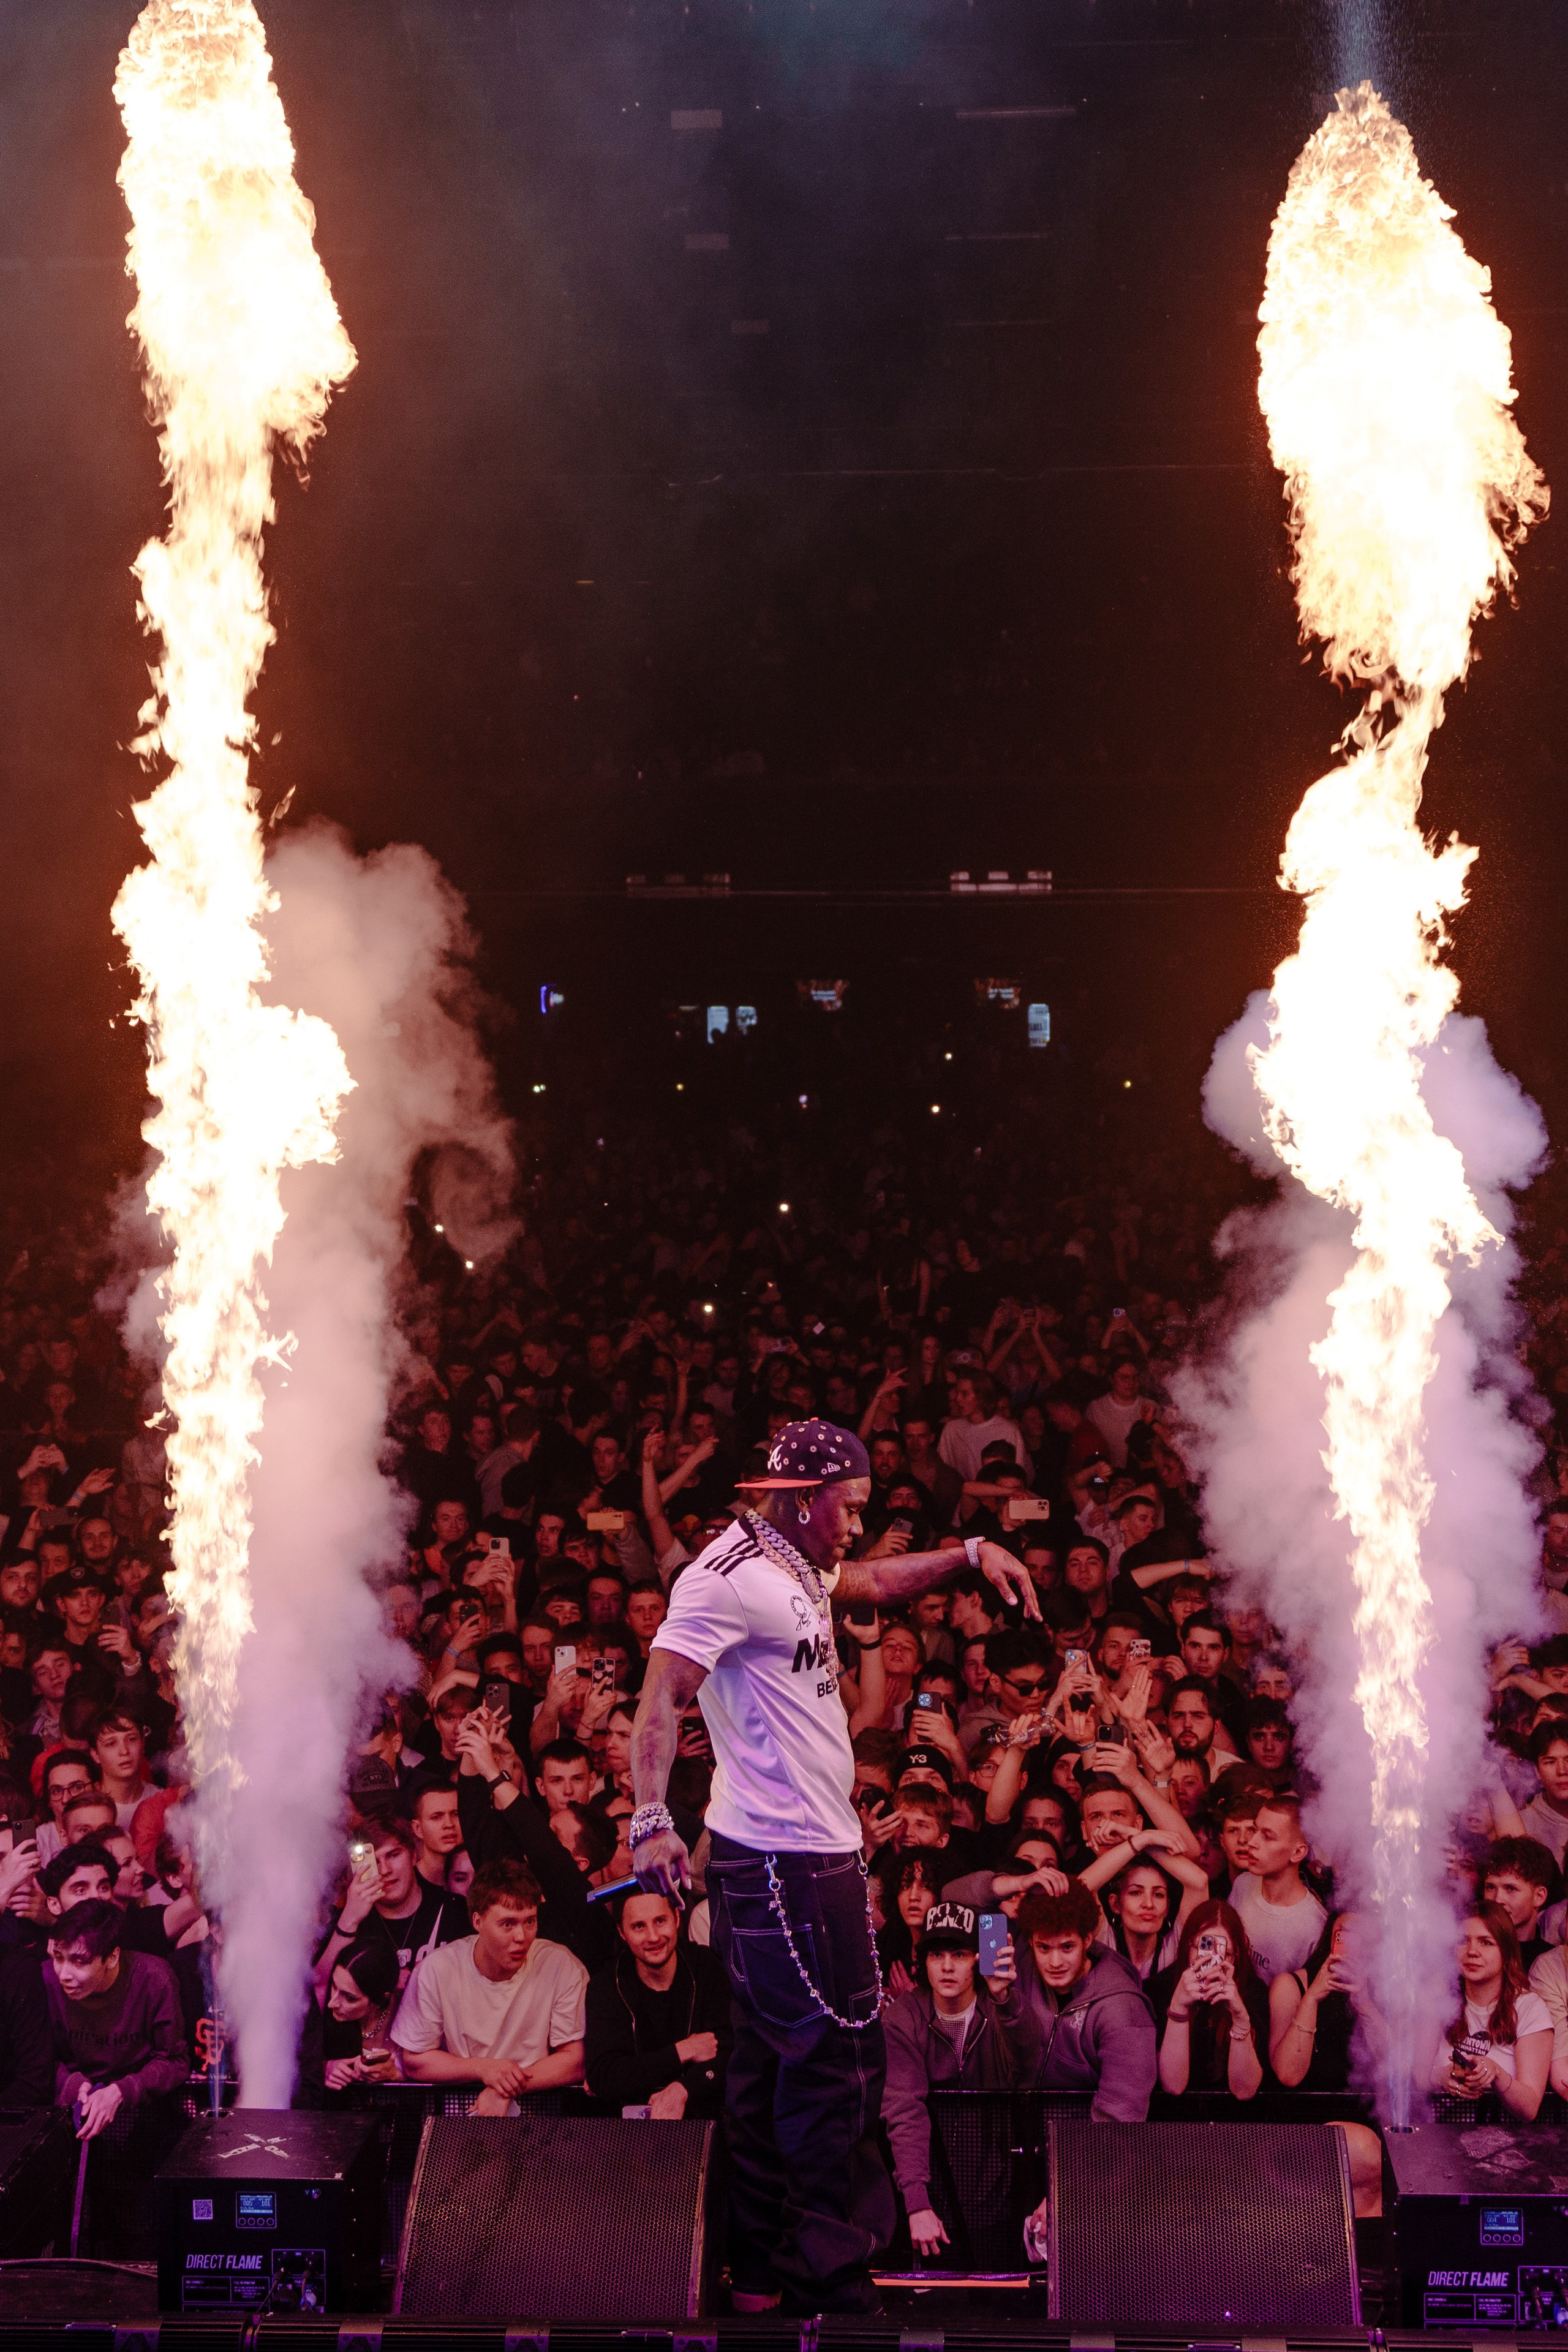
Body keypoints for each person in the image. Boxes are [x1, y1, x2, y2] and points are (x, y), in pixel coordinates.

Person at [629, 1418, 1038, 2315]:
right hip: (780, 1864)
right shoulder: (724, 1578)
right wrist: (652, 1813)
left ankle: (764, 2274)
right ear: (799, 1499)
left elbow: (867, 1579)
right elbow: (663, 1688)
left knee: (769, 2066)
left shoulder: (797, 1559)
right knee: (833, 2061)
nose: (857, 1523)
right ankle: (833, 2285)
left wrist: (970, 1551)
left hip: (805, 1856)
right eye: (846, 1506)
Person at [881, 1901, 1030, 2261]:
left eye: (960, 1954)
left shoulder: (999, 2008)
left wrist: (1005, 2000)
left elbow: (1027, 2070)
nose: (947, 1967)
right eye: (937, 1955)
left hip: (997, 2193)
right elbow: (905, 2110)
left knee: (994, 2308)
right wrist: (917, 2203)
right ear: (924, 1961)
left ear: (978, 1958)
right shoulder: (905, 2016)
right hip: (929, 2194)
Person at [391, 1856, 587, 2114]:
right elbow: (415, 2060)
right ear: (477, 1922)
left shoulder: (561, 1965)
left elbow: (575, 2060)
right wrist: (485, 2069)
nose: (521, 1936)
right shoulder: (438, 1969)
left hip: (538, 2117)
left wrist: (504, 2088)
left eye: (530, 1921)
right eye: (508, 1924)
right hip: (460, 2116)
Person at [1010, 1878, 1156, 2119]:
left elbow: (1119, 2118)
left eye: (1067, 1947)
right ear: (1030, 1943)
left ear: (1087, 1940)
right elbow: (961, 1897)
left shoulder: (1122, 2010)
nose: (1055, 1963)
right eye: (1044, 1948)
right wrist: (1018, 1883)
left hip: (1082, 2144)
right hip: (1020, 2135)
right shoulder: (1020, 1965)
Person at [582, 1889, 731, 2118]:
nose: (653, 1937)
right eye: (639, 1927)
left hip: (705, 2119)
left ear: (677, 1919)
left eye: (660, 1921)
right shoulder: (606, 1985)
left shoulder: (706, 1966)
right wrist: (682, 2051)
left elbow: (729, 2052)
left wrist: (684, 2088)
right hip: (630, 2127)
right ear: (622, 1933)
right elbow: (604, 2076)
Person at [313, 1816, 470, 2002]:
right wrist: (350, 1919)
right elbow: (320, 1986)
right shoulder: (350, 1922)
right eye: (374, 1862)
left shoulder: (454, 1909)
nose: (385, 1870)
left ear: (413, 1856)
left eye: (394, 1855)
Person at [1427, 1904, 1551, 2121]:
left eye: (1486, 1942)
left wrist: (1496, 2074)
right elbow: (1417, 2077)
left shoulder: (1529, 2008)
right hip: (1440, 2132)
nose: (1472, 1951)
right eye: (1464, 1941)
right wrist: (1441, 2076)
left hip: (1507, 2141)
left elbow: (1529, 2109)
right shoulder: (1440, 1998)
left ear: (1506, 1953)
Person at [1152, 1901, 1267, 2098]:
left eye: (1225, 1953)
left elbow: (1244, 2091)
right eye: (1203, 1947)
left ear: (1235, 1957)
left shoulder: (1253, 1992)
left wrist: (1240, 2018)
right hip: (1177, 2119)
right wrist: (1178, 2008)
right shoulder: (1159, 1988)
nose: (1212, 1960)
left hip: (1234, 2120)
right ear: (1188, 1947)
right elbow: (1173, 2086)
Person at [1223, 1797, 1326, 1983]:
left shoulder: (1314, 1927)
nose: (1252, 1842)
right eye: (1256, 1830)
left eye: (1267, 1836)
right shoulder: (1243, 1885)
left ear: (1297, 1853)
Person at [322, 1940, 402, 2092]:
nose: (332, 2003)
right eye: (334, 1986)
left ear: (379, 2000)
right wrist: (326, 2068)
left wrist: (396, 2076)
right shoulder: (324, 2012)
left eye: (349, 1998)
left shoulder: (408, 2014)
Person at [1482, 1837, 1559, 1970]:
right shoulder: (1467, 1953)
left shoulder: (1554, 1963)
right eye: (1490, 1887)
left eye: (1510, 1889)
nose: (1498, 1899)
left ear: (1539, 1896)